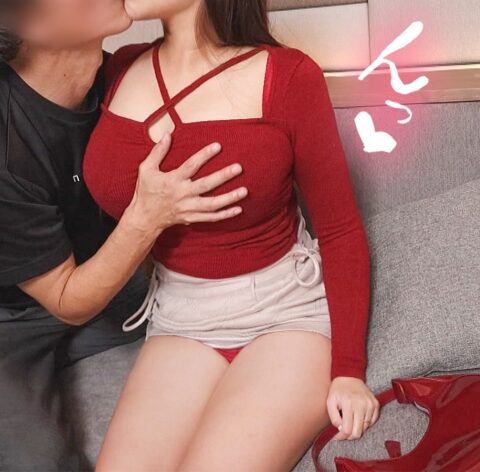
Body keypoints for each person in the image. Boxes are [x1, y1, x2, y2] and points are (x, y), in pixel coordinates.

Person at [83, 0, 381, 470]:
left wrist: (349, 371)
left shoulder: (288, 75)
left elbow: (340, 229)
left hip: (285, 316)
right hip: (179, 319)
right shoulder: (119, 67)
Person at [0, 0, 249, 469]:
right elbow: (68, 299)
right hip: (14, 319)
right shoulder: (7, 141)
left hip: (110, 290)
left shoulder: (124, 77)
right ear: (21, 21)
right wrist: (146, 217)